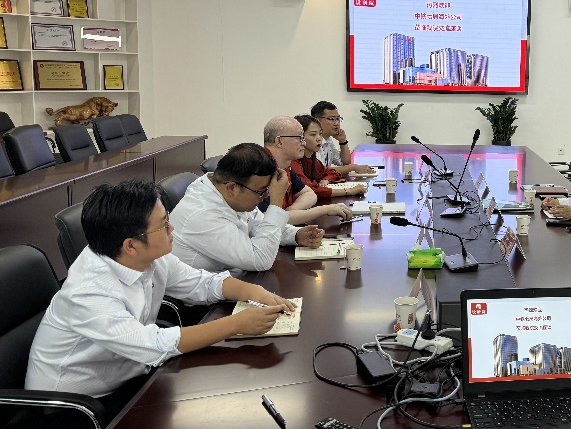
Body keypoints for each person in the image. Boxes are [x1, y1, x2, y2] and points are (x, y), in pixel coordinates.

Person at [26, 181, 296, 422]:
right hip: (75, 407)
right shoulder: (89, 291)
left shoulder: (147, 255)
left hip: (130, 372)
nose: (172, 228)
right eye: (164, 225)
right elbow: (154, 344)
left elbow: (201, 283)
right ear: (131, 245)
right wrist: (236, 324)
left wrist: (252, 291)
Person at [171, 143, 328, 273]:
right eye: (261, 191)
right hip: (205, 300)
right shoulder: (202, 214)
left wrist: (296, 235)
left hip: (233, 281)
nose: (264, 196)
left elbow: (260, 226)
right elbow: (260, 260)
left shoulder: (230, 193)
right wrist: (276, 202)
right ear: (232, 188)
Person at [261, 116, 353, 225]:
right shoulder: (262, 170)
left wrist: (290, 212)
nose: (304, 143)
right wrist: (325, 209)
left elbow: (309, 194)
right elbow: (269, 220)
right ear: (279, 141)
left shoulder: (285, 166)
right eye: (299, 138)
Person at [292, 114, 366, 199]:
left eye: (320, 134)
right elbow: (310, 191)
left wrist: (326, 179)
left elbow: (331, 172)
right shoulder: (293, 161)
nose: (319, 138)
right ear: (300, 138)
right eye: (313, 134)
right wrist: (348, 191)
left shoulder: (311, 159)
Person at [310, 100, 374, 176]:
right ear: (317, 121)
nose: (337, 123)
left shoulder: (328, 140)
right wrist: (352, 167)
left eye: (338, 119)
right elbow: (321, 171)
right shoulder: (312, 142)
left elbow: (345, 162)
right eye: (332, 119)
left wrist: (343, 141)